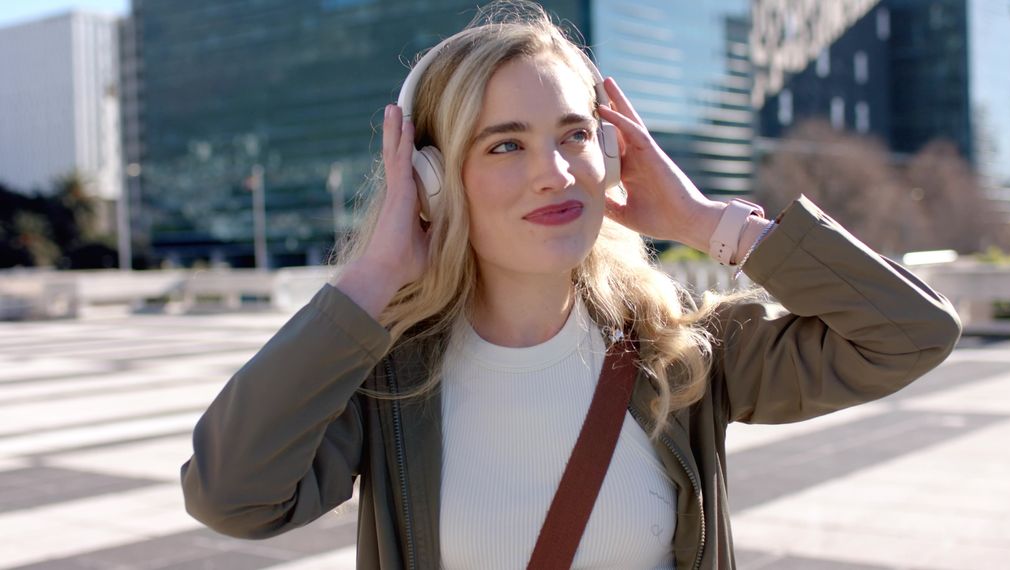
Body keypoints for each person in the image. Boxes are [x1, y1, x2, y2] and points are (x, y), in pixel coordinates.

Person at [180, 2, 962, 569]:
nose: (553, 173)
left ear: (614, 152)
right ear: (432, 180)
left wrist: (704, 220)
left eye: (575, 135)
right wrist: (375, 278)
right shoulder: (386, 380)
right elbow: (231, 496)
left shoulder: (683, 353)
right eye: (504, 145)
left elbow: (913, 333)